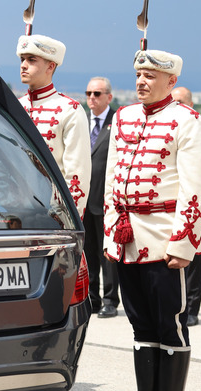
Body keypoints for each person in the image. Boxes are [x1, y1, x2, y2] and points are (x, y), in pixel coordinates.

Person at [103, 50, 201, 391]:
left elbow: (196, 188)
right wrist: (111, 231)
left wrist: (184, 244)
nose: (141, 81)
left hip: (164, 241)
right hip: (126, 240)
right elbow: (111, 180)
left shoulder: (187, 120)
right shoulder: (123, 117)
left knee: (171, 325)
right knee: (140, 326)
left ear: (171, 81)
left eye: (150, 76)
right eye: (139, 74)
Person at [16, 34, 92, 218]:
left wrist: (67, 221)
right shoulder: (16, 106)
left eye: (32, 60)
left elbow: (77, 175)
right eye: (22, 59)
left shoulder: (70, 110)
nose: (23, 65)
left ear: (51, 66)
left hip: (51, 214)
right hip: (14, 210)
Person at [171, 86, 201, 327]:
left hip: (195, 207)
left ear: (190, 104)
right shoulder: (169, 129)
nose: (176, 105)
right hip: (171, 207)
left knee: (194, 259)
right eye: (173, 101)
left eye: (180, 101)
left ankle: (192, 308)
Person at [84, 77, 119, 318]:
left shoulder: (116, 122)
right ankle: (92, 299)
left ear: (108, 97)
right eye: (88, 93)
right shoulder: (80, 122)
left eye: (97, 93)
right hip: (84, 201)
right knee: (87, 253)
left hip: (105, 201)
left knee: (107, 255)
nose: (92, 98)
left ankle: (109, 300)